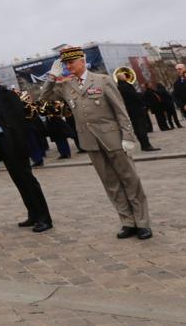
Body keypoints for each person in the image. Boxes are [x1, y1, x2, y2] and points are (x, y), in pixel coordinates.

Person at [36, 47, 151, 239]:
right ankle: (127, 222)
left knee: (130, 180)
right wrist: (51, 77)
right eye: (65, 64)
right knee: (111, 184)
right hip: (90, 142)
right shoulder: (66, 85)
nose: (68, 66)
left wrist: (128, 138)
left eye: (71, 62)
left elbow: (121, 112)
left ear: (82, 60)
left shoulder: (102, 80)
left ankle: (142, 223)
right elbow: (44, 97)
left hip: (113, 139)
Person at [0, 71, 52, 232]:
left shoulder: (7, 94)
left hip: (15, 143)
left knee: (28, 181)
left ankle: (44, 218)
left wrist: (17, 141)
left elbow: (18, 118)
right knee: (19, 182)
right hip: (2, 143)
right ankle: (33, 215)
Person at [116, 72, 159, 151]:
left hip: (130, 110)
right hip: (136, 109)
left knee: (137, 127)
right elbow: (134, 96)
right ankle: (146, 145)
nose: (126, 77)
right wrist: (143, 104)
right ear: (122, 77)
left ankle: (144, 145)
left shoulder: (119, 87)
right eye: (125, 76)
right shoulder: (126, 86)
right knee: (141, 127)